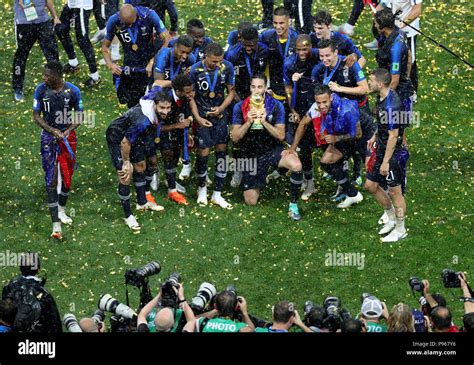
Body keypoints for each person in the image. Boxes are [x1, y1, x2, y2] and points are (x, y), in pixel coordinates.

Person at [231, 74, 304, 220]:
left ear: (265, 88)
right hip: (250, 153)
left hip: (272, 150)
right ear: (250, 87)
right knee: (251, 201)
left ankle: (293, 205)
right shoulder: (240, 107)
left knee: (296, 165)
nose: (256, 90)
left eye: (260, 87)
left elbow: (281, 135)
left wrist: (264, 122)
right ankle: (258, 176)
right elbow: (235, 137)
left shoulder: (275, 105)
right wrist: (249, 122)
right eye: (253, 87)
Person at [105, 91, 172, 231]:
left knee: (141, 165)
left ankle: (142, 203)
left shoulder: (153, 97)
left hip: (134, 136)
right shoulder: (143, 121)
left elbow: (157, 85)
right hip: (118, 137)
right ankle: (128, 216)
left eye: (168, 108)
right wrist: (126, 162)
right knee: (125, 175)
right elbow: (125, 142)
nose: (165, 111)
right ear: (155, 105)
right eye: (162, 108)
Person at [290, 85, 364, 209]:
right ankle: (351, 192)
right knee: (326, 162)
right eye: (318, 102)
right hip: (342, 138)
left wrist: (337, 138)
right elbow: (303, 124)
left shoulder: (345, 109)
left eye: (324, 102)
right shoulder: (316, 108)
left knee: (373, 181)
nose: (321, 106)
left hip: (359, 138)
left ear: (331, 98)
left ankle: (354, 190)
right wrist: (293, 147)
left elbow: (358, 134)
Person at [312, 39, 372, 190]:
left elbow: (364, 89)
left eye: (328, 55)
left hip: (358, 109)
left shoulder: (350, 64)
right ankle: (345, 176)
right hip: (338, 113)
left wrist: (341, 88)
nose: (324, 59)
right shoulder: (320, 69)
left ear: (336, 53)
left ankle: (361, 173)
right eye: (321, 56)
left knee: (359, 142)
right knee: (342, 143)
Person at [33, 61, 83, 239]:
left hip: (68, 137)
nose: (43, 78)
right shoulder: (41, 90)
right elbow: (36, 115)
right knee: (51, 178)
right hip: (49, 137)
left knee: (67, 176)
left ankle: (61, 209)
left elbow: (80, 115)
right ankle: (55, 225)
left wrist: (67, 131)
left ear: (57, 76)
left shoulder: (73, 91)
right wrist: (52, 130)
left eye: (47, 75)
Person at [189, 43, 235, 209]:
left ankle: (217, 193)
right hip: (203, 118)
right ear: (205, 57)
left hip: (220, 116)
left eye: (219, 61)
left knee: (222, 150)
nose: (217, 64)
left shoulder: (227, 67)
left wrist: (221, 108)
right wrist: (197, 118)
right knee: (203, 152)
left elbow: (231, 91)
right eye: (214, 61)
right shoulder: (194, 70)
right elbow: (191, 97)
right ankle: (202, 189)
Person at [365, 68, 408, 243]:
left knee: (395, 192)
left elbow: (393, 135)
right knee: (370, 185)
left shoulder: (391, 106)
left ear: (380, 84)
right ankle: (390, 217)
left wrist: (385, 162)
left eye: (371, 80)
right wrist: (375, 135)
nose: (368, 82)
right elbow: (383, 125)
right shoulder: (382, 97)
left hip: (392, 155)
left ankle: (400, 228)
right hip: (381, 149)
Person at [141, 75, 195, 206]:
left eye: (191, 91)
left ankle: (172, 190)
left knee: (169, 154)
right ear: (178, 91)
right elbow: (154, 127)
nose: (191, 94)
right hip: (148, 130)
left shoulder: (183, 98)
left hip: (167, 130)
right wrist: (177, 126)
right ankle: (146, 192)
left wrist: (187, 133)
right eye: (187, 92)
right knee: (152, 160)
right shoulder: (163, 99)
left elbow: (182, 115)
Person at [102, 3, 169, 108]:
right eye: (125, 23)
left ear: (136, 16)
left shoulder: (149, 15)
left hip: (149, 61)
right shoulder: (114, 20)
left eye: (130, 23)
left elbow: (168, 40)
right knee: (132, 103)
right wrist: (110, 64)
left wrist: (153, 61)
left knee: (151, 101)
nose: (128, 26)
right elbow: (105, 47)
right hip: (130, 64)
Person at [283, 34, 319, 201]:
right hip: (301, 107)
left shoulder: (319, 56)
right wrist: (293, 110)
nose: (302, 53)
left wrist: (352, 56)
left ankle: (347, 179)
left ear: (311, 47)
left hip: (319, 106)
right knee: (304, 147)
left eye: (305, 49)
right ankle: (309, 181)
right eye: (299, 50)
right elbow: (288, 88)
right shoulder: (290, 63)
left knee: (326, 143)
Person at [12, 0, 60, 101]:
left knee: (52, 56)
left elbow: (48, 1)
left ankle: (55, 86)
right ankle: (17, 88)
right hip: (24, 23)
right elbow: (22, 2)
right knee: (20, 57)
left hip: (43, 22)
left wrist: (55, 16)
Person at [2, 252, 62, 333]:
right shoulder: (44, 294)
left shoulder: (8, 288)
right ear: (38, 269)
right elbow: (55, 325)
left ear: (20, 267)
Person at [55, 0, 101, 87]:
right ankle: (73, 63)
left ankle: (95, 76)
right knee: (60, 29)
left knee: (83, 41)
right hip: (71, 4)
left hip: (82, 6)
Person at [260, 7, 298, 103]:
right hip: (273, 91)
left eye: (281, 23)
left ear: (288, 22)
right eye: (275, 23)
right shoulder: (266, 37)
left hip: (293, 89)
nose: (278, 26)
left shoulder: (297, 39)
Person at [189, 290, 255, 332]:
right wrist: (244, 312)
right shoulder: (240, 328)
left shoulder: (203, 322)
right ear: (236, 307)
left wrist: (215, 310)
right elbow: (252, 330)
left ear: (215, 306)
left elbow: (191, 321)